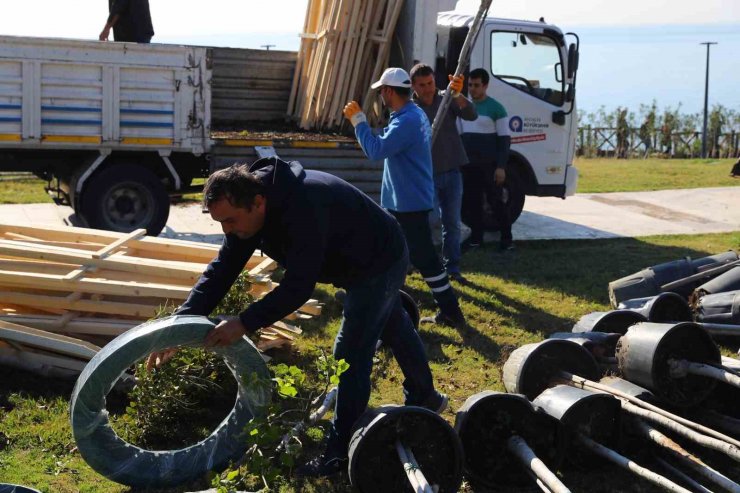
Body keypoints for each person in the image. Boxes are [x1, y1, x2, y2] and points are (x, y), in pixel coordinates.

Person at [147, 158, 448, 478]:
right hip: (354, 257)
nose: (227, 230)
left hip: (379, 260)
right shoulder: (250, 207)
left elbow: (298, 287)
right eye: (221, 222)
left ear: (258, 203)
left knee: (350, 351)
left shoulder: (304, 207)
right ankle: (425, 395)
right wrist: (182, 323)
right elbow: (222, 270)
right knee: (392, 321)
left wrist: (244, 323)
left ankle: (338, 455)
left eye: (230, 220)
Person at [342, 67, 466, 329]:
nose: (380, 96)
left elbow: (376, 151)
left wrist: (359, 122)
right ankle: (368, 297)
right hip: (406, 199)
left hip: (407, 203)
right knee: (387, 251)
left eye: (381, 92)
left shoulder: (406, 121)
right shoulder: (413, 114)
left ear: (389, 91)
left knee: (425, 259)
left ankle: (451, 311)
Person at [410, 63, 477, 282]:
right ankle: (424, 266)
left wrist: (457, 94)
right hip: (426, 175)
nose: (428, 89)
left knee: (452, 223)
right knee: (428, 222)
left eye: (430, 83)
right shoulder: (410, 109)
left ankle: (452, 269)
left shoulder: (446, 99)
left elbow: (471, 114)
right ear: (413, 86)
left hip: (452, 171)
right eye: (422, 85)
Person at [458, 68, 513, 251]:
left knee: (495, 202)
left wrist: (501, 167)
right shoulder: (463, 107)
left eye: (476, 85)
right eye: (470, 85)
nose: (472, 89)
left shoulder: (497, 108)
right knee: (472, 203)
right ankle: (476, 239)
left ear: (486, 86)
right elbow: (460, 136)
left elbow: (504, 140)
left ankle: (507, 240)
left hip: (489, 166)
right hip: (469, 165)